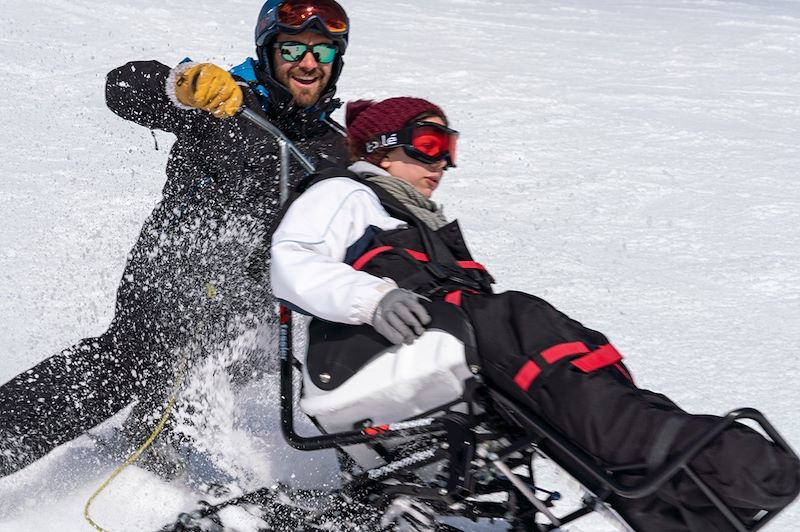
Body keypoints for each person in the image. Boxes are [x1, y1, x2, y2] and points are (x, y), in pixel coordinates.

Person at [270, 97, 800, 531]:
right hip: (357, 358)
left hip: (429, 352)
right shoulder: (345, 190)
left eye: (449, 149)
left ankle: (668, 504)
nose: (442, 164)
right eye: (430, 145)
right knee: (519, 319)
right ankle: (691, 458)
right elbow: (289, 259)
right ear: (384, 149)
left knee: (564, 349)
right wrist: (372, 298)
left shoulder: (412, 219)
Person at [0, 0, 350, 479]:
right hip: (171, 275)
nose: (308, 63)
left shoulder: (334, 149)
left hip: (252, 308)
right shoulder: (226, 103)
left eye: (323, 53)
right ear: (269, 51)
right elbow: (122, 88)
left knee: (308, 367)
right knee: (130, 363)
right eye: (293, 48)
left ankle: (173, 445)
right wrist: (180, 85)